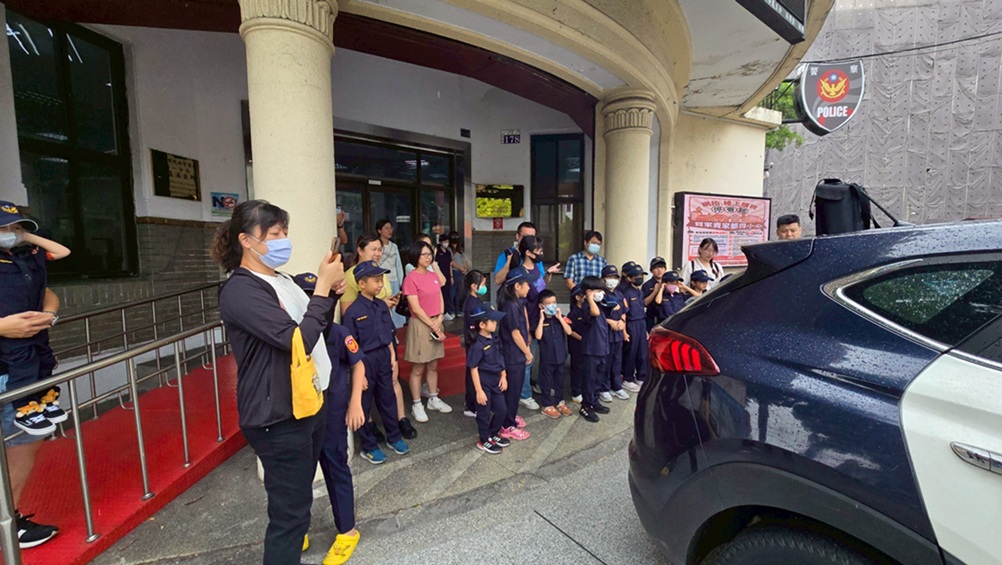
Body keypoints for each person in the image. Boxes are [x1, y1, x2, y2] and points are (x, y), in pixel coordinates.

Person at [212, 199, 345, 564]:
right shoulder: (240, 290)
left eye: (284, 232)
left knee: (296, 505)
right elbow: (296, 341)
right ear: (246, 240)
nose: (283, 240)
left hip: (306, 402)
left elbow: (314, 327)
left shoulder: (280, 279)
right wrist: (321, 289)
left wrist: (330, 295)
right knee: (290, 516)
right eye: (274, 234)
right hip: (277, 416)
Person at [292, 272, 366, 565]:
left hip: (333, 416)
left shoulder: (338, 333)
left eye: (318, 296)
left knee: (337, 469)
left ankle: (347, 531)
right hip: (302, 418)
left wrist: (355, 403)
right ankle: (298, 530)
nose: (314, 303)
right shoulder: (294, 336)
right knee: (299, 476)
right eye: (307, 297)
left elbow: (358, 364)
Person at [0, 201, 71, 436]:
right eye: (3, 228)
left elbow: (63, 252)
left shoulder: (24, 257)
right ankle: (26, 408)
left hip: (35, 329)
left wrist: (27, 236)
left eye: (15, 227)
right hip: (11, 344)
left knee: (44, 361)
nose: (10, 234)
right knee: (24, 366)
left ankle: (44, 401)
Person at [0, 287, 61, 549]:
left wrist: (46, 316)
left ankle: (7, 520)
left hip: (19, 372)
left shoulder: (16, 260)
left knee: (24, 443)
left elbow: (46, 293)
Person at [339, 234, 415, 441]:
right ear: (360, 250)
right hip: (365, 346)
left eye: (380, 249)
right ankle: (370, 435)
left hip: (383, 338)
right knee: (365, 392)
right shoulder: (350, 278)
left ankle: (397, 425)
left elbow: (384, 304)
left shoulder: (380, 288)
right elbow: (348, 321)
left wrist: (386, 304)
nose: (377, 253)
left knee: (390, 385)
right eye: (373, 249)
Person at [508, 235, 559, 411]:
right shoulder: (521, 272)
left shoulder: (537, 268)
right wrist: (528, 330)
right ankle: (525, 394)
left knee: (541, 358)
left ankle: (537, 386)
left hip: (541, 318)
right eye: (538, 250)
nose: (541, 253)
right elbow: (522, 304)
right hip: (529, 321)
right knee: (528, 359)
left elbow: (541, 288)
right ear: (528, 252)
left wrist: (549, 274)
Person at [402, 241, 451, 422]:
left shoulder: (433, 276)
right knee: (418, 367)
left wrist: (439, 318)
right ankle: (416, 403)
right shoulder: (411, 278)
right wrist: (433, 324)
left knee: (433, 364)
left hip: (435, 321)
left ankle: (433, 397)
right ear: (416, 256)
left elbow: (440, 298)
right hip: (421, 325)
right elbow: (415, 307)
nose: (428, 257)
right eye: (424, 254)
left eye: (430, 254)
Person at [466, 304, 511, 454]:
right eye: (492, 321)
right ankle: (484, 439)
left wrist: (503, 375)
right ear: (482, 324)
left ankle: (493, 433)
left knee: (502, 410)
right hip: (483, 383)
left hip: (495, 380)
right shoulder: (477, 345)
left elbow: (500, 358)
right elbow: (473, 368)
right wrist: (478, 391)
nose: (495, 323)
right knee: (484, 414)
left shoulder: (494, 339)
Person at [496, 269, 532, 441]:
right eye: (527, 285)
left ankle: (510, 417)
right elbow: (515, 333)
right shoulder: (511, 305)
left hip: (515, 354)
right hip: (512, 355)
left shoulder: (516, 302)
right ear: (517, 286)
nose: (529, 288)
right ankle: (507, 425)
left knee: (515, 390)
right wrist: (527, 352)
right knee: (512, 391)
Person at [577, 276, 611, 422]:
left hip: (602, 347)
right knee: (589, 379)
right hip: (591, 349)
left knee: (599, 377)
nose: (601, 293)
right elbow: (594, 313)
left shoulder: (600, 304)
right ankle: (586, 406)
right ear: (589, 292)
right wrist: (589, 298)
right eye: (598, 290)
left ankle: (595, 401)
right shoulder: (586, 306)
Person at [534, 289, 572, 418]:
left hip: (561, 356)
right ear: (541, 306)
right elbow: (538, 336)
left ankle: (559, 402)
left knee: (559, 381)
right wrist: (541, 318)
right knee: (546, 382)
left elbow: (569, 331)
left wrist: (560, 318)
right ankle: (546, 405)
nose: (552, 305)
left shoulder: (560, 318)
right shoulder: (540, 321)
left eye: (554, 302)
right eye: (548, 303)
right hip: (547, 358)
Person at [599, 265, 630, 402]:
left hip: (618, 333)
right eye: (609, 277)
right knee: (605, 362)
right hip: (605, 333)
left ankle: (617, 386)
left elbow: (624, 310)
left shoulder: (619, 294)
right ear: (603, 279)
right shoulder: (600, 295)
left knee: (617, 361)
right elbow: (597, 314)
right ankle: (604, 388)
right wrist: (609, 321)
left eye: (615, 277)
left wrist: (622, 322)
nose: (612, 280)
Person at [461, 270, 488, 418]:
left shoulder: (475, 300)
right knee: (473, 374)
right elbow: (475, 326)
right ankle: (471, 405)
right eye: (483, 284)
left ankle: (473, 403)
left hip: (476, 342)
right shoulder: (471, 303)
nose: (484, 287)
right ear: (473, 286)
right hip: (474, 343)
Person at [618, 262, 648, 392]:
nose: (639, 278)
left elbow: (642, 309)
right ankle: (628, 378)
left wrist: (645, 329)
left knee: (642, 351)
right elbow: (624, 313)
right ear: (629, 278)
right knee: (631, 352)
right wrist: (625, 331)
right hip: (631, 323)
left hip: (641, 323)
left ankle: (641, 376)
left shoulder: (639, 292)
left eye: (641, 275)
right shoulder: (626, 292)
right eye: (636, 276)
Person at [375, 219, 406, 328]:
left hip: (394, 279)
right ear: (379, 230)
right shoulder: (377, 247)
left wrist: (401, 281)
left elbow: (398, 265)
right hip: (382, 280)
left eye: (390, 228)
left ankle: (397, 328)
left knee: (395, 304)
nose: (389, 231)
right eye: (386, 228)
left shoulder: (394, 246)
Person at [492, 221, 537, 287]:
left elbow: (541, 282)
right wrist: (509, 263)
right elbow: (497, 281)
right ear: (517, 236)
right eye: (526, 237)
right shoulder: (506, 254)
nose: (529, 240)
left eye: (532, 238)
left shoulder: (535, 256)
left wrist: (548, 274)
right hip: (512, 296)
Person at [566, 286, 586, 405]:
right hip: (576, 344)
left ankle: (584, 389)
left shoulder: (587, 309)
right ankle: (576, 392)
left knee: (585, 367)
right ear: (578, 297)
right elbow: (570, 330)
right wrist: (582, 339)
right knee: (577, 368)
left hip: (587, 344)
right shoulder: (573, 313)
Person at [435, 234, 455, 321]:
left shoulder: (448, 252)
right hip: (439, 275)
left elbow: (450, 265)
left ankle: (445, 312)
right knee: (440, 295)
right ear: (440, 242)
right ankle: (440, 313)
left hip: (447, 276)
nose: (446, 243)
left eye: (447, 241)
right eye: (444, 241)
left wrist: (451, 276)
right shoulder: (437, 252)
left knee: (447, 294)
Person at [449, 233, 470, 316]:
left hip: (461, 273)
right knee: (452, 293)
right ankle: (452, 310)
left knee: (460, 293)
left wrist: (465, 268)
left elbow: (464, 259)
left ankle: (458, 310)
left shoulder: (460, 249)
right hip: (454, 272)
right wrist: (460, 268)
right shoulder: (449, 250)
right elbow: (451, 262)